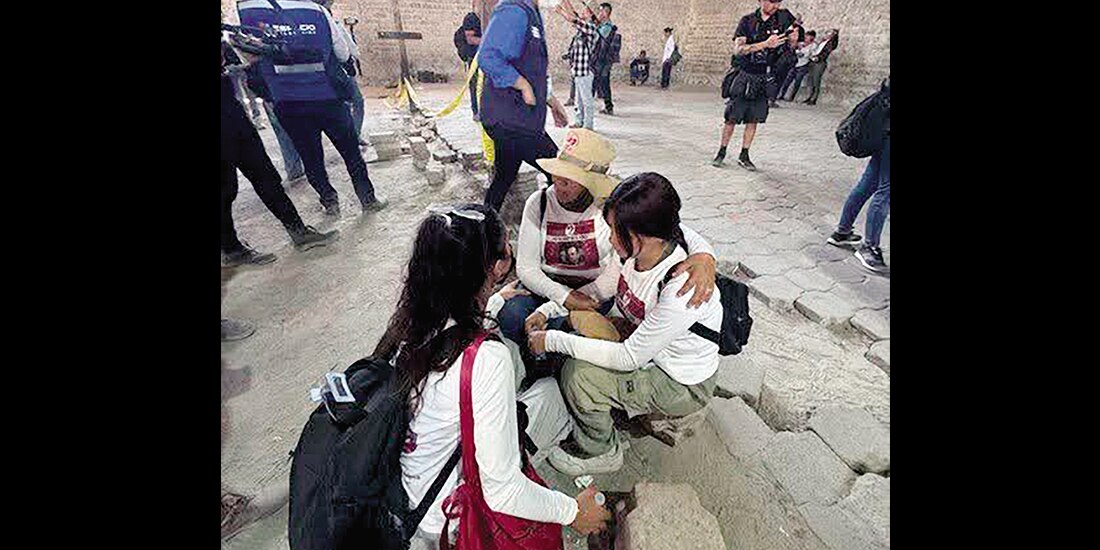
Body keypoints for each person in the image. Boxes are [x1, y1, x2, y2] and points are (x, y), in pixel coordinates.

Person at [375, 203, 611, 549]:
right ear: (496, 267)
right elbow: (501, 492)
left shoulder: (409, 322)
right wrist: (573, 511)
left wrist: (496, 299)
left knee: (513, 360)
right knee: (549, 394)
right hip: (447, 519)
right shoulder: (485, 358)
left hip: (408, 491)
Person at [527, 172, 723, 476]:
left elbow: (628, 357)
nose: (610, 239)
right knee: (579, 322)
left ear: (646, 235)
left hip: (679, 381)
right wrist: (547, 310)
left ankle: (601, 449)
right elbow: (599, 291)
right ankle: (605, 408)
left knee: (579, 376)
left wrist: (551, 340)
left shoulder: (681, 288)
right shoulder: (637, 249)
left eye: (616, 232)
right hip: (648, 347)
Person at [497, 128, 719, 387]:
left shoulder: (618, 211)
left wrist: (704, 254)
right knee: (514, 315)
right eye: (556, 175)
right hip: (556, 287)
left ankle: (553, 362)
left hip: (603, 301)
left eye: (569, 180)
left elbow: (668, 226)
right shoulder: (541, 203)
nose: (558, 183)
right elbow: (528, 269)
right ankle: (535, 361)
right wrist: (558, 301)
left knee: (576, 360)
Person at [238, 0, 387, 217]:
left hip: (287, 102)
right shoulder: (317, 11)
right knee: (351, 152)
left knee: (311, 157)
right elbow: (342, 53)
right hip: (327, 98)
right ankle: (368, 199)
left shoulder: (248, 10)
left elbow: (247, 56)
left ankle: (329, 201)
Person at [221, 37, 338, 268]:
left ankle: (298, 231)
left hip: (233, 113)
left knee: (266, 175)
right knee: (226, 187)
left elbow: (241, 64)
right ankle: (231, 249)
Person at [477, 0, 571, 212]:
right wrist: (522, 84)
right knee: (559, 171)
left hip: (516, 119)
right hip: (511, 119)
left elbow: (533, 69)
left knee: (505, 175)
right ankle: (553, 225)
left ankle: (485, 224)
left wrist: (552, 103)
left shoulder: (531, 13)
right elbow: (488, 57)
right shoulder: (514, 10)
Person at [710, 0, 798, 171]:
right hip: (744, 75)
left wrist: (793, 42)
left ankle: (744, 154)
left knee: (753, 119)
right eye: (772, 2)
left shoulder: (781, 19)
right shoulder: (747, 21)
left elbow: (791, 43)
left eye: (778, 2)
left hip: (764, 76)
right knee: (731, 118)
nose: (776, 6)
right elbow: (738, 50)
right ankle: (722, 151)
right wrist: (765, 44)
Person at [827, 77, 890, 273]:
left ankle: (842, 232)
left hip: (884, 132)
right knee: (885, 191)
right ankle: (869, 247)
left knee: (867, 185)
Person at [556, 0, 600, 130]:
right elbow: (573, 15)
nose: (583, 11)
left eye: (586, 9)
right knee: (578, 100)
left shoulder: (591, 28)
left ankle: (588, 125)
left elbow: (573, 19)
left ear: (591, 14)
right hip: (578, 70)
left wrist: (560, 11)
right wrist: (565, 2)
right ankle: (579, 121)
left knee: (587, 100)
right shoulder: (583, 28)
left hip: (585, 71)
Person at [767, 11, 804, 107]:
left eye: (799, 20)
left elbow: (800, 44)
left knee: (781, 78)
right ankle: (767, 98)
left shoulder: (800, 30)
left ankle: (772, 99)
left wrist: (796, 44)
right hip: (776, 55)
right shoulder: (784, 28)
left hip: (788, 56)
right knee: (772, 77)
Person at [591, 2, 621, 115]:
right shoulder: (603, 25)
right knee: (602, 82)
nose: (599, 13)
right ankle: (608, 107)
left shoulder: (607, 26)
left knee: (597, 81)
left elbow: (595, 38)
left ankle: (588, 106)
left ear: (606, 12)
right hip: (601, 59)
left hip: (603, 59)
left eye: (600, 11)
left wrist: (594, 24)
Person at [457, 8, 483, 121]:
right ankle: (476, 111)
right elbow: (463, 47)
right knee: (474, 86)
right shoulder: (459, 34)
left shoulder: (483, 29)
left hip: (485, 59)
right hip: (473, 61)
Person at [803, 28, 840, 105]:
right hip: (814, 61)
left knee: (816, 81)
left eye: (829, 34)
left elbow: (826, 52)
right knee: (812, 80)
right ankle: (810, 96)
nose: (826, 34)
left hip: (820, 62)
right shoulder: (822, 42)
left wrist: (818, 58)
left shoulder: (830, 43)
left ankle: (814, 98)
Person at [779, 30, 815, 101]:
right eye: (805, 36)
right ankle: (781, 95)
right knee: (787, 80)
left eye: (807, 36)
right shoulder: (800, 43)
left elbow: (809, 55)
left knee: (797, 82)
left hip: (803, 65)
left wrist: (800, 51)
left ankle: (791, 97)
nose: (805, 37)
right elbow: (793, 50)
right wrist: (797, 49)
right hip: (795, 64)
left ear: (812, 37)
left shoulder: (813, 46)